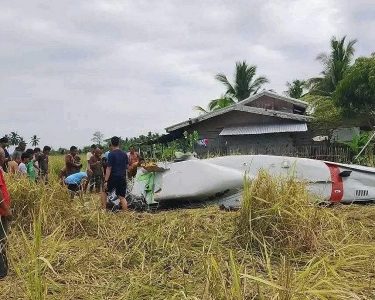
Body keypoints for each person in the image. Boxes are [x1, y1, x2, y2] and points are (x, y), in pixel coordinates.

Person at [102, 136, 128, 211]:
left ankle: (103, 210)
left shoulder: (111, 154)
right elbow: (126, 167)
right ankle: (126, 215)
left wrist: (106, 181)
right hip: (122, 177)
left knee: (104, 191)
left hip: (113, 177)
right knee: (122, 197)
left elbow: (109, 168)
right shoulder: (124, 154)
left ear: (111, 143)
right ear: (119, 143)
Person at [0, 147, 11, 279]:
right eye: (4, 156)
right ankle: (2, 271)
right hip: (1, 213)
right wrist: (6, 209)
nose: (5, 159)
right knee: (1, 240)